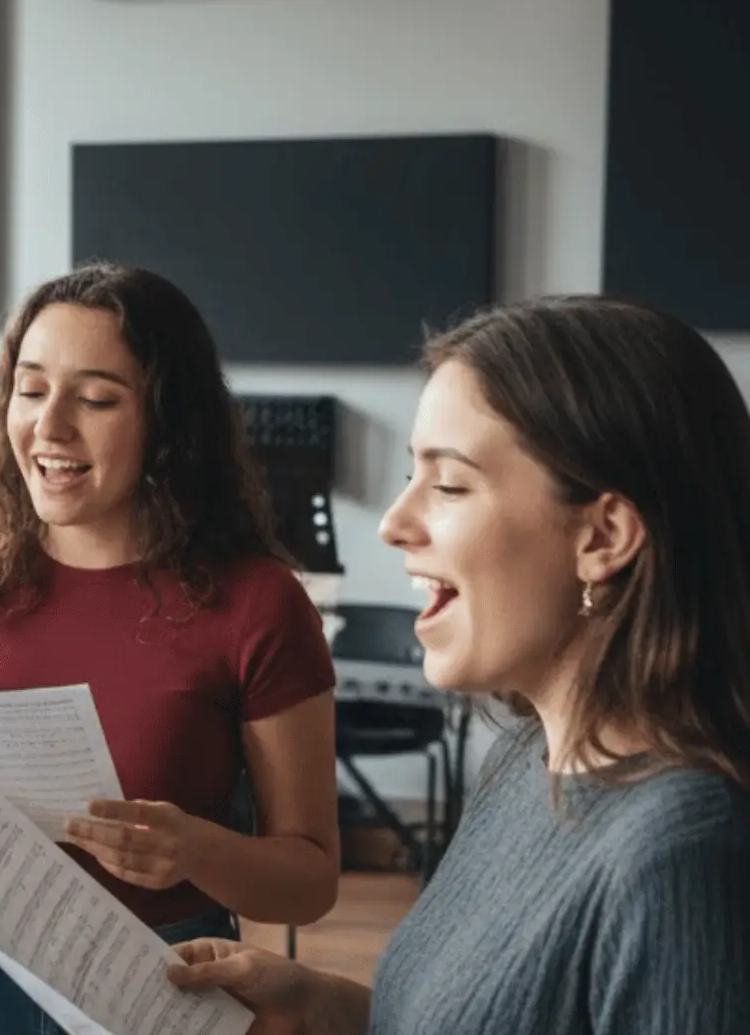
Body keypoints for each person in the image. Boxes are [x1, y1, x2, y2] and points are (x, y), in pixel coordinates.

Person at [167, 295, 750, 1035]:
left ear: (604, 537)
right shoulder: (526, 758)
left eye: (449, 484)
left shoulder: (683, 853)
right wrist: (317, 1003)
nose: (394, 523)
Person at [0, 263, 341, 1034]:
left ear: (170, 424)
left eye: (97, 399)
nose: (50, 427)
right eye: (31, 390)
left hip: (166, 985)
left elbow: (309, 882)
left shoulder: (260, 603)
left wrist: (196, 852)